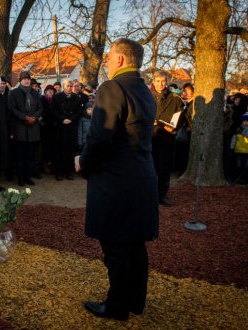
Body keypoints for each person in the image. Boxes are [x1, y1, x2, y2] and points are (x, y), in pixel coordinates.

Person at [75, 38, 158, 321]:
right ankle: (135, 300)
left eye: (109, 58)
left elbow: (99, 138)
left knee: (115, 246)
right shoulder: (145, 91)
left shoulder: (112, 87)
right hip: (141, 177)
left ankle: (117, 306)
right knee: (134, 245)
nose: (107, 63)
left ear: (120, 60)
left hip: (116, 182)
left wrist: (82, 162)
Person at [150, 70, 184, 207]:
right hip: (150, 137)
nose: (160, 84)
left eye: (163, 81)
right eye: (157, 81)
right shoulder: (147, 97)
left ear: (167, 82)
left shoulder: (175, 99)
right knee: (150, 169)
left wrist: (175, 127)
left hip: (167, 138)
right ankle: (150, 195)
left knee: (164, 169)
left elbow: (181, 116)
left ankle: (162, 195)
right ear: (153, 81)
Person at [9, 71, 43, 186]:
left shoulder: (35, 93)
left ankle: (28, 177)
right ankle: (21, 178)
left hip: (33, 128)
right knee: (20, 156)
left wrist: (34, 118)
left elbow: (40, 108)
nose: (26, 80)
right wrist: (24, 117)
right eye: (24, 79)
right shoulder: (14, 93)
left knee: (30, 156)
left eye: (28, 78)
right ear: (20, 81)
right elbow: (12, 109)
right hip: (20, 128)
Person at [53, 79, 80, 180]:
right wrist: (62, 119)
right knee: (59, 150)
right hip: (60, 127)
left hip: (71, 127)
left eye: (70, 86)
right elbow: (54, 111)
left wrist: (71, 119)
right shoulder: (57, 97)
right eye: (67, 86)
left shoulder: (76, 98)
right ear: (63, 86)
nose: (69, 88)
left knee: (70, 150)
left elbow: (78, 112)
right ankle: (59, 172)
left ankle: (69, 171)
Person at [230, 113, 248, 183]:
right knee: (238, 165)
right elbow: (234, 139)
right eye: (244, 121)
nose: (245, 122)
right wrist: (232, 147)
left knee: (247, 166)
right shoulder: (238, 129)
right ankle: (238, 178)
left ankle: (245, 179)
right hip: (239, 150)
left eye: (247, 121)